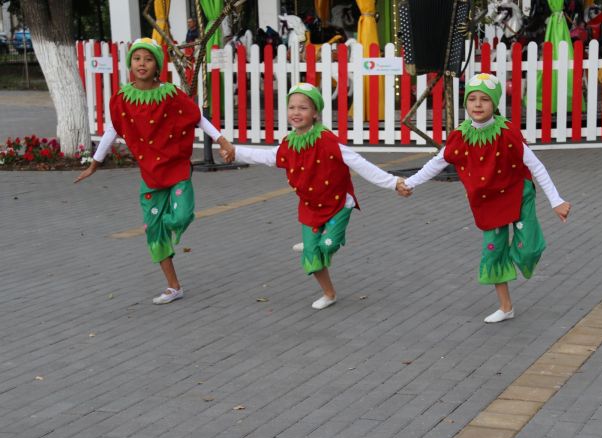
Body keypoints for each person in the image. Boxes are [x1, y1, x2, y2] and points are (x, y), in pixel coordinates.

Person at [220, 82, 411, 309]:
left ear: (315, 112)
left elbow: (358, 163)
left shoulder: (327, 141)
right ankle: (329, 294)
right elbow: (268, 157)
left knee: (328, 246)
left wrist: (393, 182)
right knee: (312, 259)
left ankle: (324, 240)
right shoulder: (289, 144)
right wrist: (235, 151)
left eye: (303, 108)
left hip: (339, 203)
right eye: (292, 107)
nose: (296, 112)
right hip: (310, 208)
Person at [400, 73, 571, 323]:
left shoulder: (507, 132)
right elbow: (437, 163)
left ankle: (518, 255)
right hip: (489, 202)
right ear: (466, 103)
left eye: (484, 99)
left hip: (517, 193)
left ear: (494, 104)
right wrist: (410, 183)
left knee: (528, 249)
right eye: (472, 99)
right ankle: (506, 307)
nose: (477, 104)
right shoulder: (461, 136)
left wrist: (556, 200)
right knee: (493, 254)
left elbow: (535, 165)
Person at [75, 37, 234, 305]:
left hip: (176, 169)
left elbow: (196, 116)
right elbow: (114, 129)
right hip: (150, 175)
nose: (142, 63)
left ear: (156, 65)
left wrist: (222, 140)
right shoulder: (122, 99)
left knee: (181, 216)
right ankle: (173, 286)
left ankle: (168, 230)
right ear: (130, 64)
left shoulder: (171, 94)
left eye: (148, 59)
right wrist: (95, 162)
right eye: (137, 58)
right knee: (154, 231)